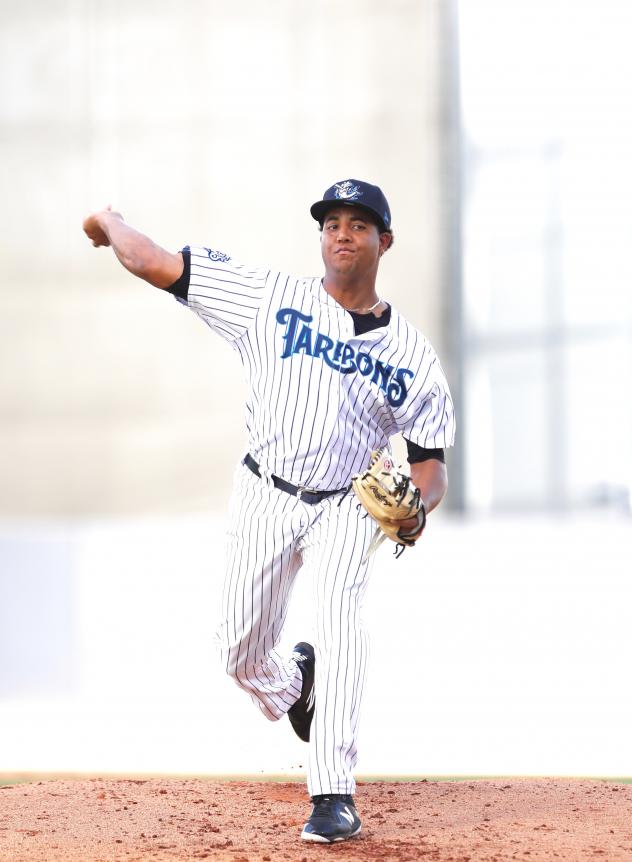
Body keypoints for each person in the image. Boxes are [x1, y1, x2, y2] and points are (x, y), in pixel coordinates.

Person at [83, 178, 455, 843]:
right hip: (264, 489)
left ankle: (333, 794)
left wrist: (418, 507)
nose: (343, 233)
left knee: (341, 620)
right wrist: (110, 222)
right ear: (321, 237)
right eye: (332, 222)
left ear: (384, 241)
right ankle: (294, 687)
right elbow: (155, 262)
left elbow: (430, 466)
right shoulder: (269, 298)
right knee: (237, 650)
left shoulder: (413, 357)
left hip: (348, 502)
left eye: (359, 224)